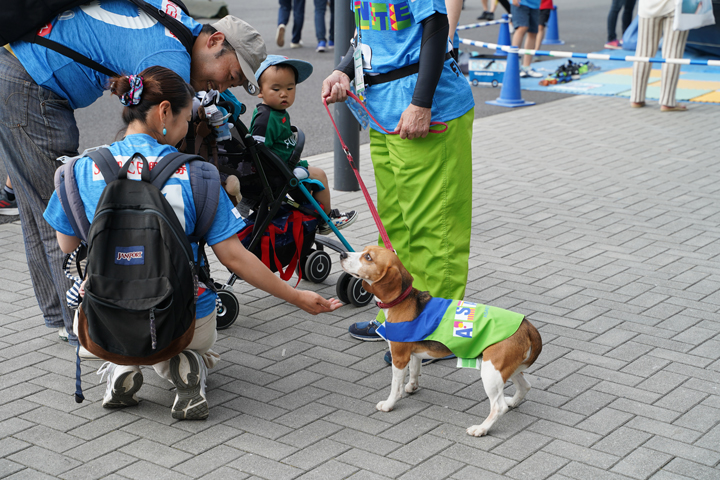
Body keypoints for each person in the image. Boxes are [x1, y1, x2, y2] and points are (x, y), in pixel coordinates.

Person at [43, 66, 342, 420]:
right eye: (186, 119)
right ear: (164, 111)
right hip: (184, 321)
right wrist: (296, 296)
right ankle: (184, 364)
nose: (186, 130)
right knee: (193, 344)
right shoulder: (197, 173)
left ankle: (120, 364)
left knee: (102, 315)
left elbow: (67, 247)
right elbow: (235, 258)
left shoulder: (78, 170)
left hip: (104, 319)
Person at [0, 1, 266, 351]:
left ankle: (62, 319)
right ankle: (85, 327)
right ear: (215, 41)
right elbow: (159, 150)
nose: (226, 85)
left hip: (18, 68)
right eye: (232, 75)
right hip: (33, 86)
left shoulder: (176, 22)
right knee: (65, 208)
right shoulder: (171, 56)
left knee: (39, 209)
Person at [321, 0, 475, 357]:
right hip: (383, 110)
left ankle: (439, 332)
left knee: (433, 227)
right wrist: (343, 70)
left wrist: (421, 103)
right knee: (394, 225)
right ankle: (399, 321)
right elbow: (370, 35)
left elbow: (436, 28)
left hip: (423, 111)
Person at [251, 55, 357, 235]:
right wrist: (283, 171)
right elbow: (258, 151)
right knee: (320, 175)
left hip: (286, 165)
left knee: (314, 178)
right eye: (276, 89)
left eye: (290, 88)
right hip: (279, 172)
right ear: (260, 91)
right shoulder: (265, 118)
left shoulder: (277, 112)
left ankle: (315, 214)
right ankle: (326, 219)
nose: (284, 93)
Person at [630, 0, 689, 111]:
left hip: (648, 5)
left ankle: (636, 98)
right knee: (673, 53)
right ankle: (668, 101)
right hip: (676, 6)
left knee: (643, 52)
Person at [511, 0, 544, 78]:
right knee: (522, 27)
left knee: (533, 32)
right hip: (521, 2)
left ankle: (526, 67)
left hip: (535, 4)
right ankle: (513, 66)